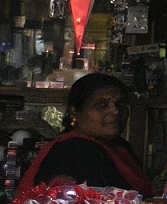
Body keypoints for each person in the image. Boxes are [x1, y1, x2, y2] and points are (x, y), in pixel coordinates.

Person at [19, 72, 154, 195]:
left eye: (120, 104)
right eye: (101, 105)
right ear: (74, 113)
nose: (115, 111)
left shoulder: (119, 147)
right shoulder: (74, 151)